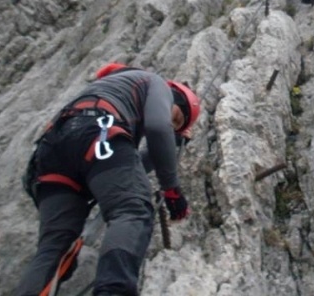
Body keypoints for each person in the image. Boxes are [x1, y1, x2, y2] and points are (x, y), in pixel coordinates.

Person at [17, 63, 200, 296]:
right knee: (133, 209)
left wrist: (172, 143)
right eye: (176, 118)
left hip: (51, 153)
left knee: (55, 247)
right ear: (175, 96)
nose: (172, 126)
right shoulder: (155, 83)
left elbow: (123, 172)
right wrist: (172, 190)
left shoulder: (112, 95)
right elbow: (157, 127)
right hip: (95, 132)